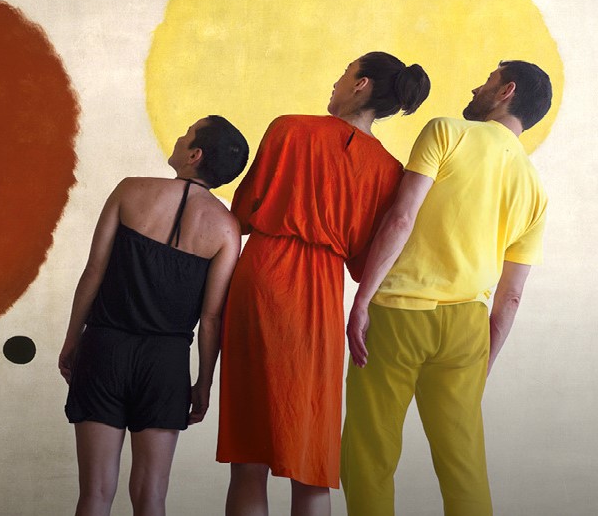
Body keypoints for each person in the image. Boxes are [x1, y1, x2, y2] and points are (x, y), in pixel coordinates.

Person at [217, 52, 431, 516]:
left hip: (262, 279)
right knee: (312, 460)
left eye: (343, 75)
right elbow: (362, 260)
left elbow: (245, 212)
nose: (335, 83)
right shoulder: (389, 170)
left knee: (248, 458)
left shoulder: (288, 129)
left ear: (361, 84)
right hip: (322, 297)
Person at [341, 60, 552, 516]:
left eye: (488, 81)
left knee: (370, 453)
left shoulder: (447, 132)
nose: (477, 87)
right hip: (468, 329)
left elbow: (401, 218)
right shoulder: (536, 188)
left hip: (398, 314)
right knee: (464, 466)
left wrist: (362, 299)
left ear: (506, 91)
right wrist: (483, 362)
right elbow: (512, 295)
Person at [59, 115, 249, 516]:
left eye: (187, 134)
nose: (179, 138)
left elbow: (93, 271)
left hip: (104, 348)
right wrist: (204, 382)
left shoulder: (130, 191)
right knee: (151, 497)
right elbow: (211, 319)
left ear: (195, 155)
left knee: (95, 493)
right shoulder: (227, 230)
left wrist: (73, 339)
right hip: (166, 366)